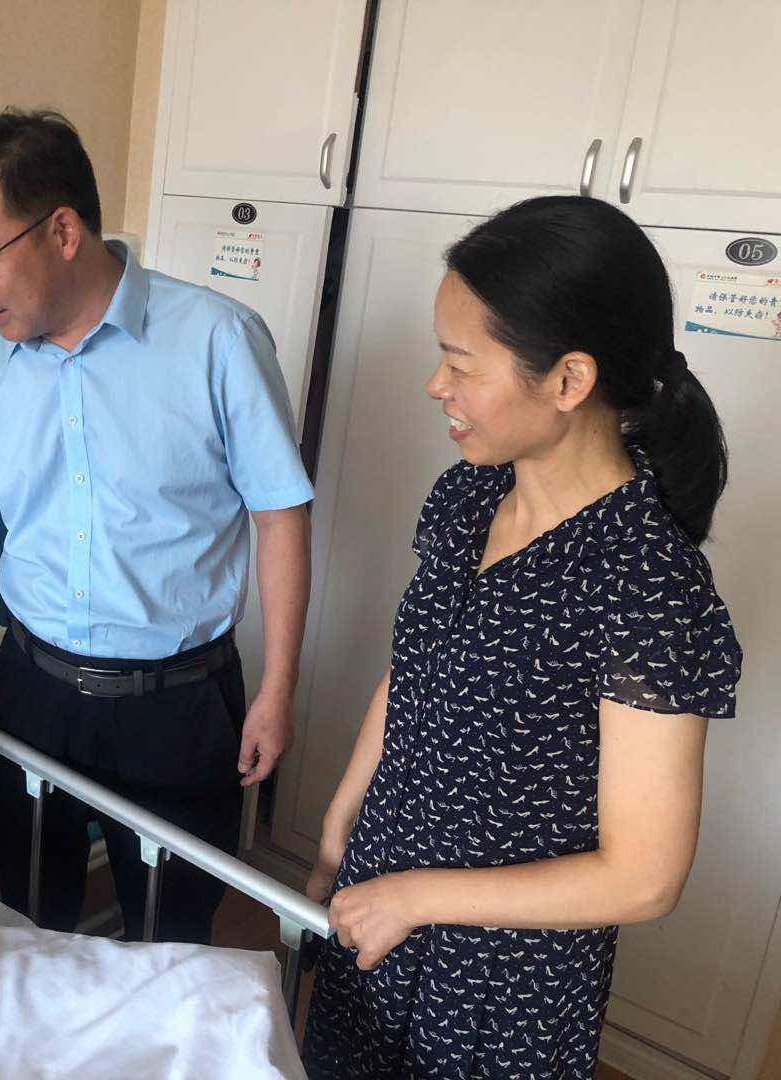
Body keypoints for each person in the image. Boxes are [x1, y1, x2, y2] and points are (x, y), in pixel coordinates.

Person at [0, 109, 313, 944]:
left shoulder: (216, 341)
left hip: (176, 706)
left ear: (63, 231)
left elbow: (279, 517)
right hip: (31, 692)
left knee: (171, 942)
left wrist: (278, 688)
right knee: (36, 920)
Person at [301, 196, 743, 1078]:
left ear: (569, 381)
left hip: (500, 977)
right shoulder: (467, 495)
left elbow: (644, 877)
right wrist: (339, 825)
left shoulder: (647, 584)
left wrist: (416, 899)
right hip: (382, 897)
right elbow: (412, 675)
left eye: (460, 363)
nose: (436, 385)